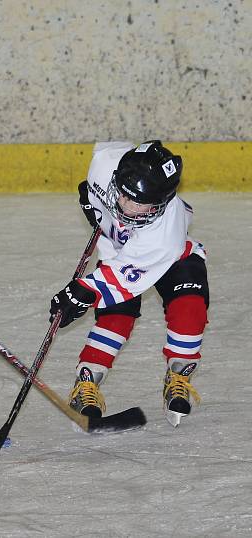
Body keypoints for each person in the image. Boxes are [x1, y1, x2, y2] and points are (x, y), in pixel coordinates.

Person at [49, 140, 208, 427]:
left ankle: (179, 374)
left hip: (168, 256)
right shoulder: (106, 162)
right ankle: (87, 382)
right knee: (115, 317)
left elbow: (122, 278)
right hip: (118, 252)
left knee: (190, 307)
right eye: (123, 194)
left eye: (139, 203)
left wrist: (82, 291)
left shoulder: (164, 236)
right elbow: (114, 157)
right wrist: (92, 203)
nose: (126, 205)